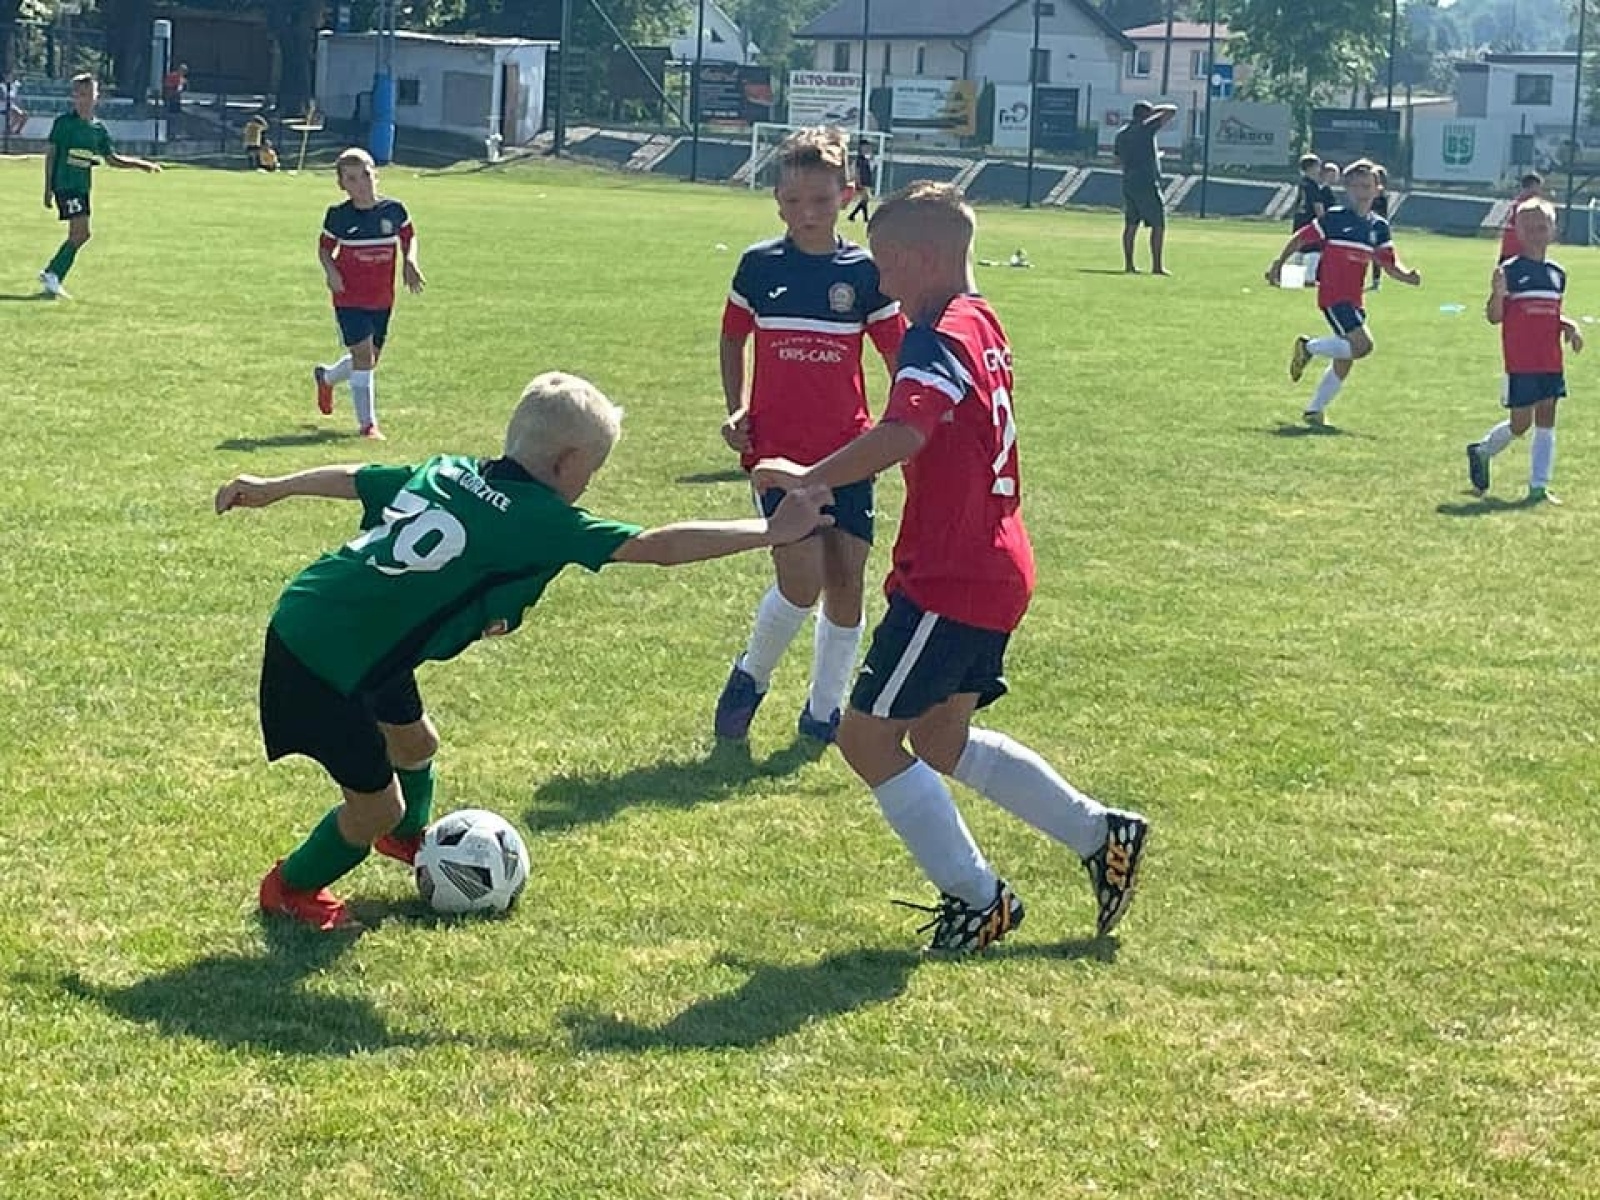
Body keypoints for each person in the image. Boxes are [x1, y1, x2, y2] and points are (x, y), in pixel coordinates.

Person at [216, 371, 833, 931]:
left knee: (417, 744)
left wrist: (273, 487)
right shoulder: (539, 518)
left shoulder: (451, 469)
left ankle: (408, 841)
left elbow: (354, 478)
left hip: (338, 617)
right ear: (567, 463)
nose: (590, 483)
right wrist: (774, 532)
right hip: (326, 660)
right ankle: (290, 888)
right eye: (592, 469)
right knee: (375, 806)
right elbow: (655, 545)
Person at [752, 182, 1150, 952]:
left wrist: (808, 476)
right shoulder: (979, 316)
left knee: (865, 740)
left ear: (919, 257)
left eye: (886, 261)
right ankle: (1102, 835)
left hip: (954, 572)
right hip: (994, 561)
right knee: (938, 739)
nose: (877, 276)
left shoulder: (935, 338)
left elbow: (904, 431)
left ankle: (979, 898)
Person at [715, 126, 903, 744]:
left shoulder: (865, 274)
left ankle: (824, 710)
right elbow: (733, 336)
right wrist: (737, 408)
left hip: (848, 450)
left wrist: (902, 427)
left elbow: (899, 354)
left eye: (821, 201)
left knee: (845, 580)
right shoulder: (759, 265)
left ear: (847, 194)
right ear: (776, 199)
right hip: (775, 450)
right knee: (801, 577)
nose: (807, 214)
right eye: (793, 202)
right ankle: (752, 674)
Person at [1266, 159, 1422, 427]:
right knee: (1363, 346)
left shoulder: (1378, 227)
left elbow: (1388, 262)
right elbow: (1301, 238)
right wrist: (1279, 264)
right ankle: (1309, 346)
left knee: (1345, 359)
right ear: (1347, 189)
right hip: (1333, 295)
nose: (1362, 191)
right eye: (1356, 186)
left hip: (1355, 298)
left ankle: (1314, 410)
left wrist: (1407, 276)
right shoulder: (1336, 218)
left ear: (1378, 190)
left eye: (1367, 186)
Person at [1467, 199, 1582, 504]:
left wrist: (1567, 326)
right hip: (1521, 361)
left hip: (1550, 360)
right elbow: (1495, 316)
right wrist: (1498, 293)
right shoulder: (1510, 271)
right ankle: (1482, 451)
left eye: (1541, 226)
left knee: (1547, 418)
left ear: (1552, 230)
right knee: (1521, 424)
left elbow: (1550, 312)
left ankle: (1538, 486)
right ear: (1517, 229)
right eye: (1528, 226)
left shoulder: (1557, 273)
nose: (1535, 232)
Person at [313, 147, 423, 440]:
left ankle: (326, 377)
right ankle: (368, 425)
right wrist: (331, 271)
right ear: (341, 185)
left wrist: (410, 261)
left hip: (381, 298)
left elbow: (409, 236)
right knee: (362, 356)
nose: (360, 184)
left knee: (369, 359)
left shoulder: (394, 210)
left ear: (376, 174)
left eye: (365, 175)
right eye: (351, 179)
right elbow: (324, 248)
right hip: (348, 297)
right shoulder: (338, 216)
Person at [37, 73, 161, 300]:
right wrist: (48, 188)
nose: (83, 99)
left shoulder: (98, 130)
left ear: (96, 97)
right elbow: (51, 154)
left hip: (82, 187)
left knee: (81, 234)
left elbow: (112, 159)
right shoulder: (64, 124)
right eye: (79, 94)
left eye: (88, 94)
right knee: (81, 233)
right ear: (73, 97)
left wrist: (141, 164)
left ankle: (52, 273)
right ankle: (52, 273)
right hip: (67, 186)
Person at [1113, 100, 1177, 275]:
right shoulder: (1145, 128)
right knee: (1158, 223)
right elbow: (1172, 110)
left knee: (1131, 224)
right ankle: (1157, 266)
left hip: (1129, 181)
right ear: (1145, 115)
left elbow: (1117, 161)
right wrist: (1153, 112)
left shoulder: (1122, 133)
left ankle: (1129, 265)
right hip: (1147, 182)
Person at [1292, 153, 1325, 285]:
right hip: (1310, 220)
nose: (1320, 169)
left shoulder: (1302, 183)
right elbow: (1317, 205)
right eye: (1318, 166)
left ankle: (1295, 277)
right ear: (1312, 167)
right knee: (1314, 249)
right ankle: (1309, 278)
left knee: (1299, 247)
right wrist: (1323, 220)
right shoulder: (1312, 185)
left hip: (1300, 218)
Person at [1500, 172, 1544, 261]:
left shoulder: (1518, 203)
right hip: (1519, 250)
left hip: (1511, 249)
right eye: (1538, 187)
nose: (1539, 191)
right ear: (1533, 186)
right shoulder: (1526, 206)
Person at [1368, 164, 1391, 292]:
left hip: (1376, 228)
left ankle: (1376, 281)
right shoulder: (1369, 193)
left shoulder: (1381, 195)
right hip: (1367, 225)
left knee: (1377, 254)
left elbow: (1381, 213)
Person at [846, 138, 874, 223]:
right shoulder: (859, 159)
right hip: (862, 181)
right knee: (865, 199)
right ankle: (861, 217)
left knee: (865, 200)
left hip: (866, 181)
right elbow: (857, 170)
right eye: (865, 146)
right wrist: (858, 181)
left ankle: (853, 216)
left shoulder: (865, 158)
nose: (867, 148)